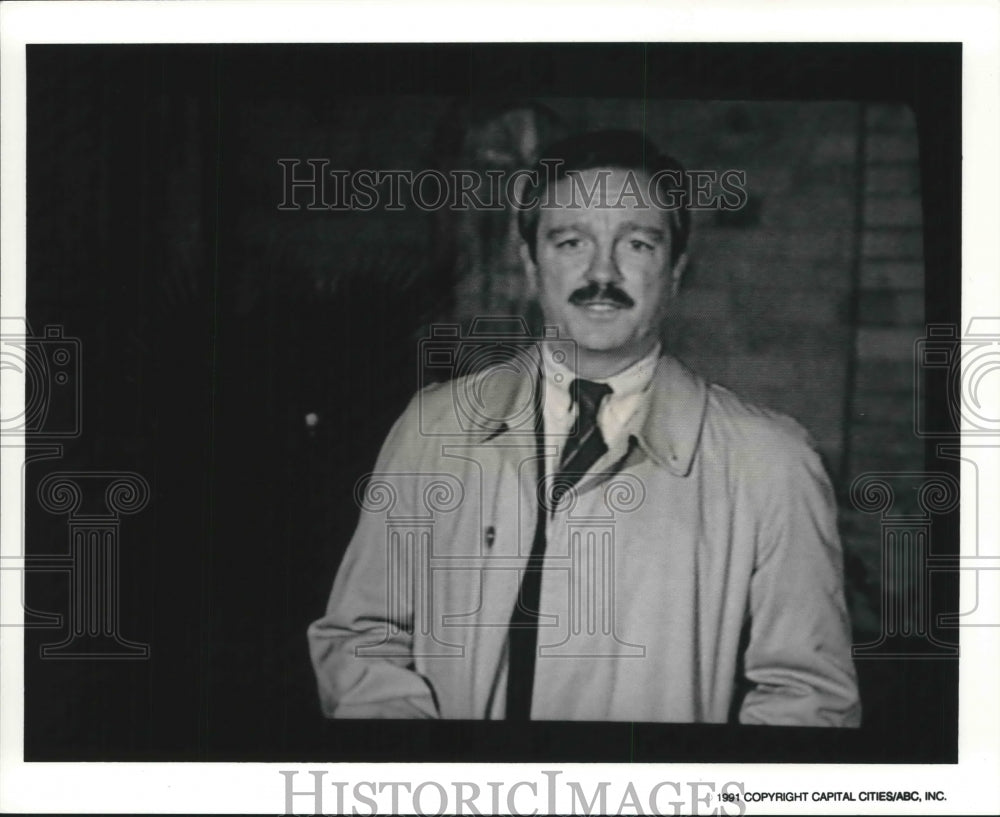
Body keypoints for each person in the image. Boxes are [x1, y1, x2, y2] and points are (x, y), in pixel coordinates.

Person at [307, 130, 862, 725]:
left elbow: (807, 702)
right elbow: (363, 635)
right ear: (529, 264)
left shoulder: (771, 462)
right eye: (572, 241)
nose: (603, 271)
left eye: (638, 244)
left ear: (676, 269)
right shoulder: (433, 428)